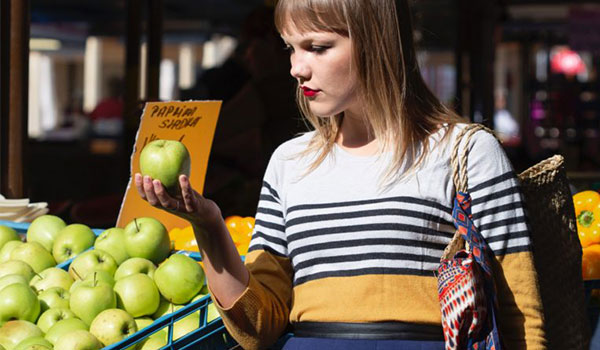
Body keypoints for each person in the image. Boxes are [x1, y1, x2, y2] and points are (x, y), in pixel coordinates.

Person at [134, 0, 547, 349]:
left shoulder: (466, 151)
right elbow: (259, 327)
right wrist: (208, 227)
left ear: (376, 41)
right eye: (290, 48)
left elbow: (521, 314)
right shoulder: (289, 163)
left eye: (317, 47)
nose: (297, 68)